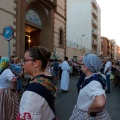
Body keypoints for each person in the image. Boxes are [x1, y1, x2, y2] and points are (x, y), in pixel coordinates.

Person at [16, 46, 57, 120]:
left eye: (25, 60)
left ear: (36, 63)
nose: (22, 64)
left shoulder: (32, 92)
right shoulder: (46, 80)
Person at [69, 54, 111, 120]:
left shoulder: (93, 83)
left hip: (86, 115)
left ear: (87, 67)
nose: (81, 66)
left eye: (82, 64)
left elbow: (100, 102)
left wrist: (90, 110)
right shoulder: (92, 77)